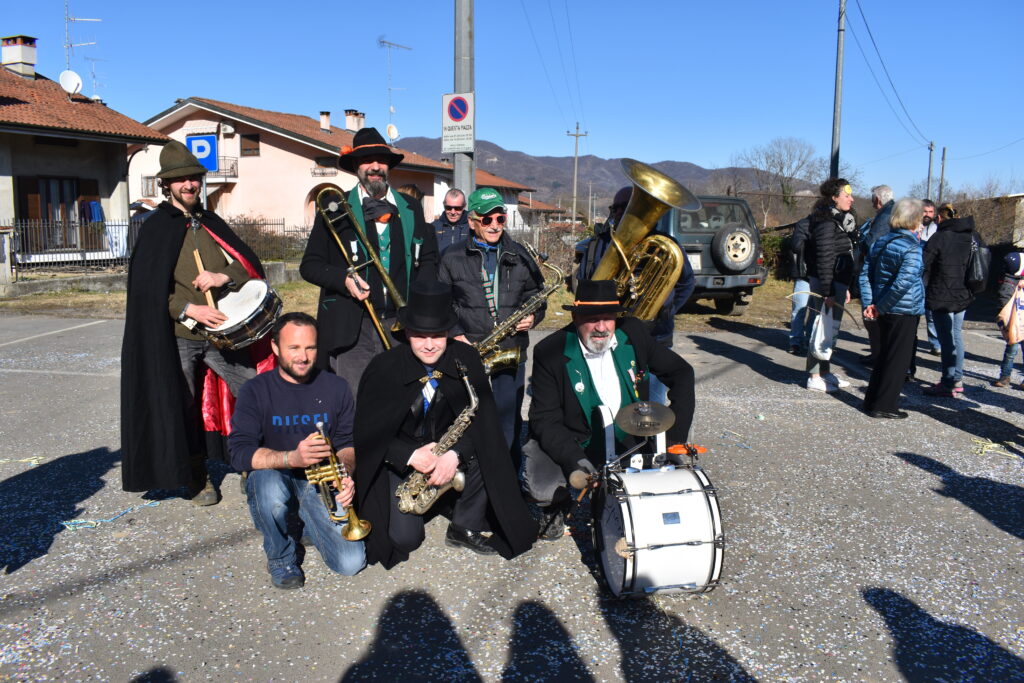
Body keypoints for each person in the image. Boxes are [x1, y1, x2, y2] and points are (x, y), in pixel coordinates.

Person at [120, 140, 273, 506]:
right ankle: (196, 475)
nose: (189, 185)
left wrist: (224, 278)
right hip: (181, 335)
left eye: (193, 178)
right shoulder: (155, 228)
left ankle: (252, 463)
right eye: (180, 180)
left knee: (252, 390)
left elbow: (245, 263)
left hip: (223, 333)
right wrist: (190, 308)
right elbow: (148, 293)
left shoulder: (210, 223)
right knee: (182, 404)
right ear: (167, 185)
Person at [353, 280, 537, 568]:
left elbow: (483, 420)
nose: (429, 345)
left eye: (437, 335)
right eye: (419, 335)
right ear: (407, 332)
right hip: (401, 461)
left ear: (449, 333)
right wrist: (412, 456)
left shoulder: (464, 357)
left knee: (489, 448)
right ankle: (438, 500)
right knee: (405, 540)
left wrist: (454, 455)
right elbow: (367, 433)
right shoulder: (383, 367)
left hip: (448, 451)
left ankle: (464, 523)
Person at [522, 279, 696, 540]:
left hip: (629, 437)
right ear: (576, 316)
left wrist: (675, 436)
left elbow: (681, 372)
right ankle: (556, 507)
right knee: (539, 478)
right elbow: (543, 419)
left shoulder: (633, 334)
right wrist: (574, 461)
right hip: (577, 440)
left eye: (608, 318)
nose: (601, 328)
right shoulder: (550, 351)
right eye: (592, 319)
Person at [228, 313, 366, 588]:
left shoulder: (336, 386)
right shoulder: (255, 390)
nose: (303, 357)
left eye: (310, 348)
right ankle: (281, 557)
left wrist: (345, 472)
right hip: (276, 475)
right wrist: (292, 458)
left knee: (351, 564)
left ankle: (307, 519)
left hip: (320, 482)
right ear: (276, 348)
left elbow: (347, 442)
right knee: (265, 485)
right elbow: (238, 453)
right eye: (294, 348)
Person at [300, 127, 439, 392]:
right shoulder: (334, 207)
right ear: (355, 166)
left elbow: (428, 261)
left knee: (404, 402)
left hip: (402, 325)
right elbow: (310, 266)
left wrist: (422, 313)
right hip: (354, 328)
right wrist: (343, 279)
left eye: (382, 160)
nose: (375, 167)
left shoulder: (410, 208)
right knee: (356, 405)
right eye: (367, 161)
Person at [439, 187, 546, 468]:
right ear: (472, 221)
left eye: (500, 218)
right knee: (467, 421)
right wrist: (455, 334)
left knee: (508, 421)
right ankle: (471, 480)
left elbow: (538, 295)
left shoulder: (520, 254)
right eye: (487, 220)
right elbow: (440, 303)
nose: (495, 225)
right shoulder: (451, 256)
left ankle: (508, 480)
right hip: (469, 349)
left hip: (510, 351)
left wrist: (534, 317)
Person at [859, 199, 925, 419]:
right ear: (914, 220)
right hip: (902, 311)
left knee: (884, 357)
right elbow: (904, 282)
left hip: (884, 309)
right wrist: (878, 306)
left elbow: (865, 275)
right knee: (898, 360)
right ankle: (885, 406)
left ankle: (872, 401)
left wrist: (871, 303)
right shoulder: (912, 248)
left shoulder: (881, 242)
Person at [803, 178, 858, 392]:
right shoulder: (826, 222)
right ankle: (814, 375)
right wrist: (828, 291)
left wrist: (846, 287)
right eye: (847, 196)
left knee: (831, 331)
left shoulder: (842, 220)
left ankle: (825, 372)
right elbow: (825, 258)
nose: (851, 199)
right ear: (834, 197)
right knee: (821, 328)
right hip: (827, 284)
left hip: (838, 283)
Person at [922, 203, 978, 397]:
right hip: (963, 294)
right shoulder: (970, 236)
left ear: (939, 218)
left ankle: (948, 382)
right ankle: (958, 379)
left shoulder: (939, 237)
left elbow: (924, 263)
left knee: (946, 340)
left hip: (941, 295)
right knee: (956, 336)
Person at [859, 185, 895, 365]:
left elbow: (871, 244)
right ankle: (878, 353)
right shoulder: (893, 212)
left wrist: (862, 241)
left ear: (878, 200)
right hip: (885, 271)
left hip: (877, 272)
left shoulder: (885, 216)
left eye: (873, 200)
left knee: (871, 313)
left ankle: (878, 355)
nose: (873, 204)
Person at [993, 251, 1024, 388]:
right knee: (1013, 350)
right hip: (1017, 323)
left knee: (1011, 350)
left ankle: (1005, 377)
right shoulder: (1011, 284)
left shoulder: (1009, 283)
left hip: (1015, 323)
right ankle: (1005, 376)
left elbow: (1002, 303)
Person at [787, 213, 813, 355]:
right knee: (799, 309)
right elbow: (796, 245)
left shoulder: (832, 224)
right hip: (803, 274)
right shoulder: (804, 224)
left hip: (820, 275)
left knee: (815, 312)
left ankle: (810, 340)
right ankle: (795, 341)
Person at [432, 188, 470, 255]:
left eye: (457, 208)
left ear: (464, 206)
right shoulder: (433, 227)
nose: (453, 212)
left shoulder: (473, 227)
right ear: (444, 205)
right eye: (448, 208)